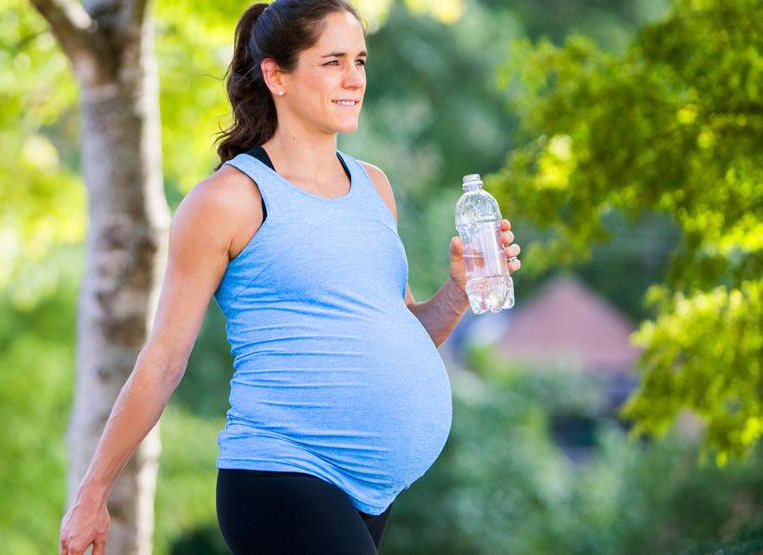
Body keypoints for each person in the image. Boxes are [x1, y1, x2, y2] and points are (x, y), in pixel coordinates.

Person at [58, 1, 522, 553]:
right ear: (277, 75)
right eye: (332, 63)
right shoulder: (229, 199)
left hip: (370, 491)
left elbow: (398, 332)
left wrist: (459, 293)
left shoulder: (373, 186)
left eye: (360, 61)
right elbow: (162, 361)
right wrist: (93, 493)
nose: (354, 79)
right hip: (283, 475)